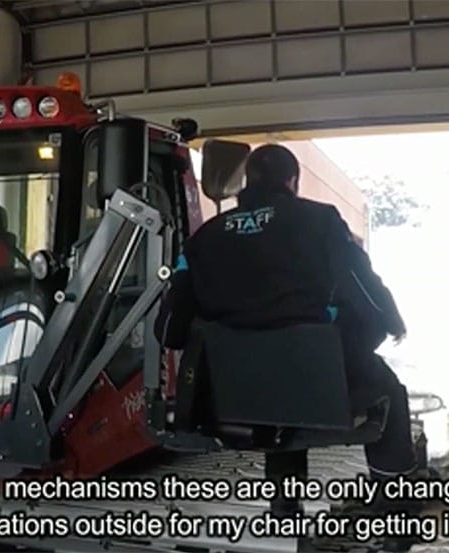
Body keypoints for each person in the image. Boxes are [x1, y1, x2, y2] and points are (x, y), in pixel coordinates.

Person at [154, 144, 428, 517]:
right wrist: (390, 321)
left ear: (247, 182)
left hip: (235, 390)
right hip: (313, 378)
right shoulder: (320, 221)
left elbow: (169, 328)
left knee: (277, 398)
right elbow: (359, 282)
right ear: (292, 181)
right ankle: (394, 500)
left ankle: (285, 504)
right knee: (388, 390)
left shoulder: (204, 239)